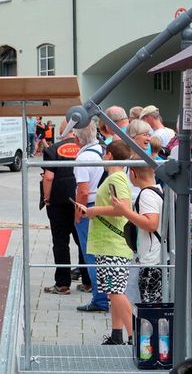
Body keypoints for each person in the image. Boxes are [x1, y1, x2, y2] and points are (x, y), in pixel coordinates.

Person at [74, 140, 133, 345]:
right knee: (113, 290)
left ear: (108, 155)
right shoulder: (116, 177)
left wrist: (93, 211)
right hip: (109, 244)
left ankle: (134, 336)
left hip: (112, 245)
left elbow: (122, 208)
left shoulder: (115, 179)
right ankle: (117, 334)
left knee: (115, 291)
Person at [41, 119, 86, 295]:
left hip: (58, 203)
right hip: (80, 201)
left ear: (62, 131)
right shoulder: (85, 148)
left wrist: (46, 198)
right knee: (82, 241)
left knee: (60, 243)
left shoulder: (52, 150)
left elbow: (48, 177)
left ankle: (62, 284)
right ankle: (88, 281)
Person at [112, 155, 163, 304]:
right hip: (155, 258)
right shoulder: (157, 191)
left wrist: (124, 211)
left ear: (133, 173)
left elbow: (151, 223)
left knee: (150, 308)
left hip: (152, 262)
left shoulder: (146, 194)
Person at [73, 121, 109, 312]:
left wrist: (78, 213)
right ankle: (107, 296)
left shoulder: (83, 158)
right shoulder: (100, 150)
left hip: (89, 208)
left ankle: (100, 300)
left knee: (91, 255)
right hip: (103, 205)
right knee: (102, 254)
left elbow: (83, 192)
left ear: (78, 138)